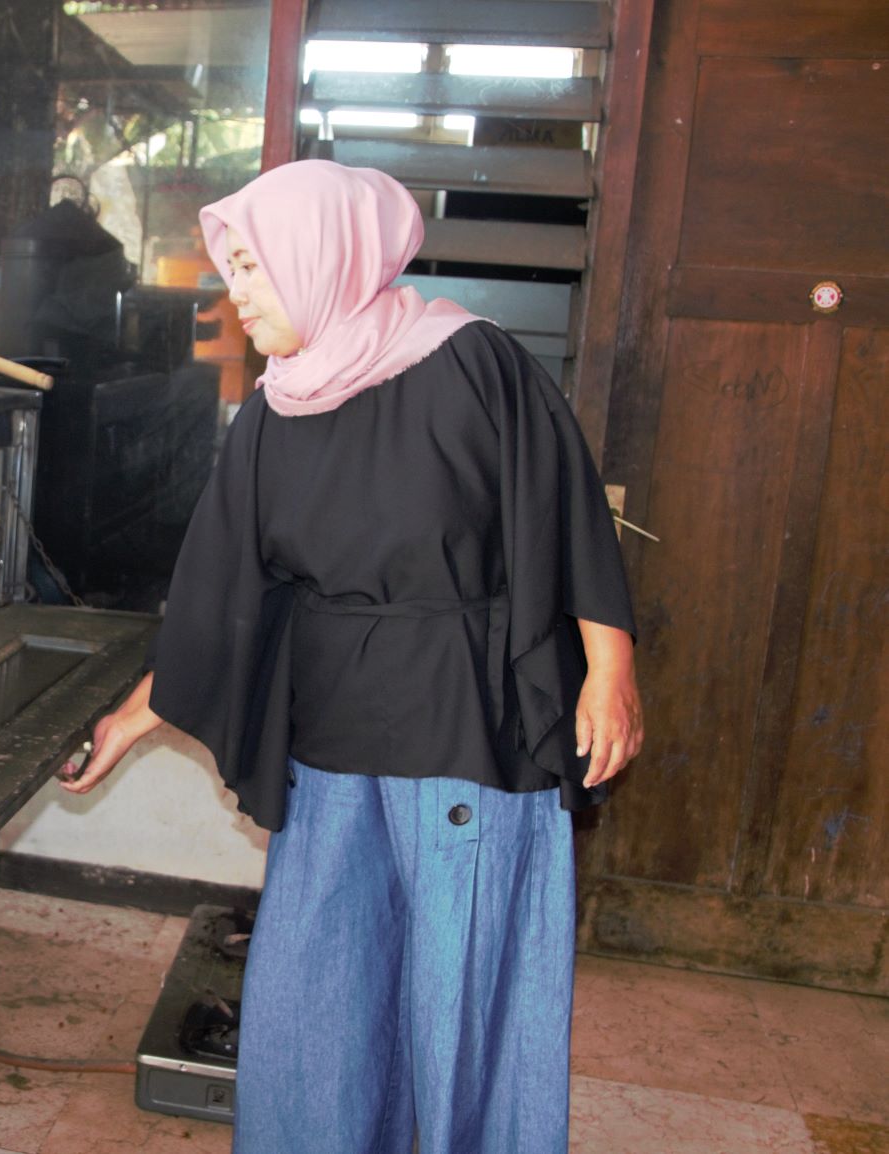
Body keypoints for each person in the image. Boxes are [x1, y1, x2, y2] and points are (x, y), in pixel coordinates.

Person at [59, 161, 643, 1153]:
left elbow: (566, 510)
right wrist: (134, 712)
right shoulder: (274, 410)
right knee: (317, 997)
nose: (234, 287)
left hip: (469, 723)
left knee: (464, 1006)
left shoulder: (470, 362)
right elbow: (226, 593)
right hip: (329, 742)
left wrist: (611, 670)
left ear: (322, 255)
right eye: (231, 265)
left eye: (253, 264)